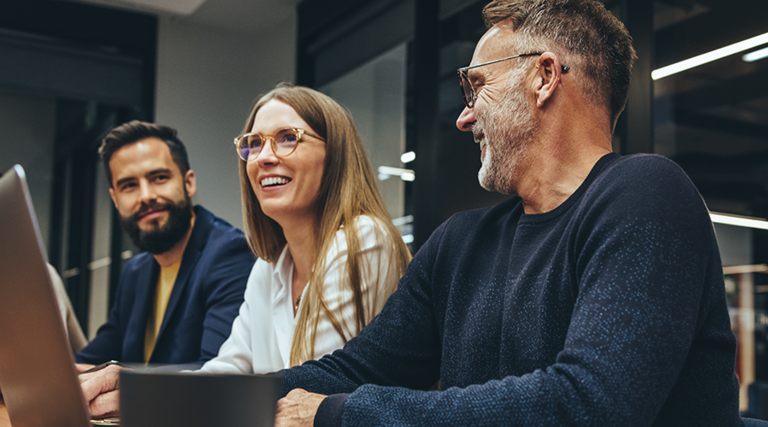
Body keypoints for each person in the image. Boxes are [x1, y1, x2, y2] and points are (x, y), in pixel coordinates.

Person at [270, 1, 742, 426]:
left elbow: (588, 406)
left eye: (477, 86)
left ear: (544, 77)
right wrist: (224, 398)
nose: (464, 116)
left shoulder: (647, 194)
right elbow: (356, 370)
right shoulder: (460, 242)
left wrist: (341, 414)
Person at [79, 85, 412, 418]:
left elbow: (313, 390)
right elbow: (228, 367)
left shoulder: (364, 239)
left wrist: (148, 397)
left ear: (335, 153)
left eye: (288, 137)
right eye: (254, 143)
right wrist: (138, 388)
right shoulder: (269, 267)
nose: (264, 157)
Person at [75, 121, 255, 368]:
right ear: (115, 200)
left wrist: (117, 381)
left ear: (188, 183)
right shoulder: (135, 272)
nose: (146, 196)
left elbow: (216, 373)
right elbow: (91, 360)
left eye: (159, 178)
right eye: (129, 186)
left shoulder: (230, 255)